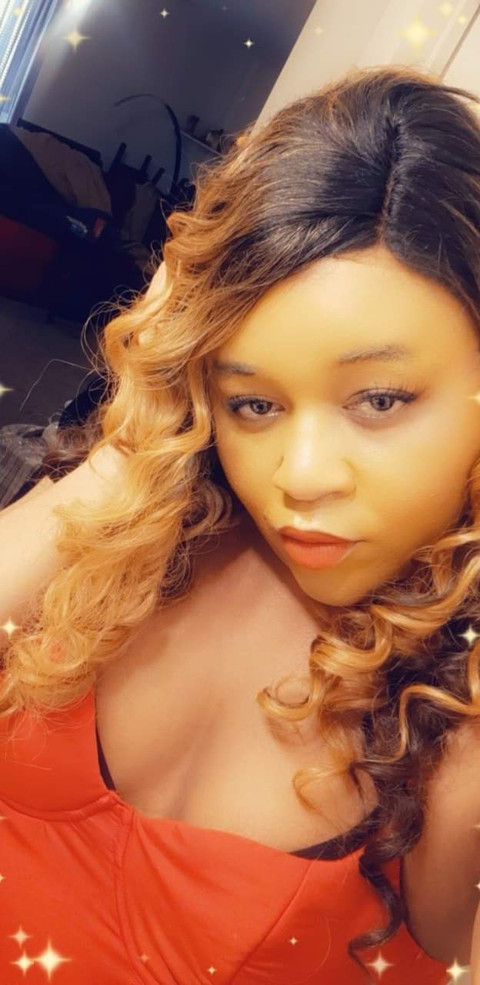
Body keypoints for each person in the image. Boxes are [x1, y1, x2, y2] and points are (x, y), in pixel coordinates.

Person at [1, 63, 480, 984]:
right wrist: (129, 455)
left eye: (379, 398)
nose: (299, 476)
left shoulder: (457, 704)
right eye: (254, 402)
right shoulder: (147, 532)